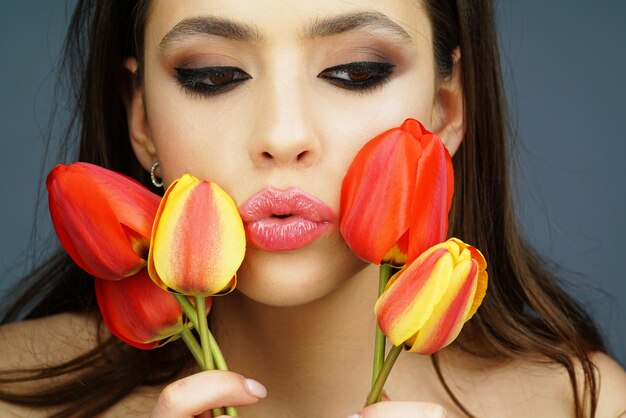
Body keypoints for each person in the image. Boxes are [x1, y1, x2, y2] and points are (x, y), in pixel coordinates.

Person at [1, 0, 625, 417]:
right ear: (142, 121)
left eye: (356, 71)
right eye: (213, 76)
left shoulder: (583, 405)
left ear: (447, 107)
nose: (283, 133)